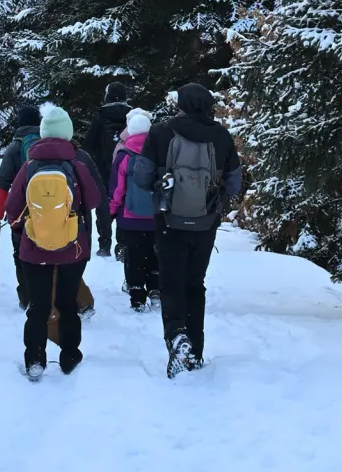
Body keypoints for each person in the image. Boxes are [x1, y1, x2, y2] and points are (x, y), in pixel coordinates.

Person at [127, 82, 242, 376]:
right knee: (195, 284)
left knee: (171, 282)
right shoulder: (221, 136)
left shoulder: (161, 131)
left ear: (181, 103)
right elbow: (234, 184)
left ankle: (177, 337)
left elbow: (141, 177)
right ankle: (196, 350)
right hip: (205, 223)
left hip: (169, 220)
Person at [3, 104, 104, 379]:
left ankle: (35, 359)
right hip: (73, 247)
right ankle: (70, 356)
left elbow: (12, 208)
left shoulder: (29, 166)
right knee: (68, 303)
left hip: (34, 249)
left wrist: (29, 224)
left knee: (38, 306)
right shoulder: (77, 164)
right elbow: (94, 200)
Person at [108, 108, 159, 309]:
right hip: (156, 216)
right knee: (155, 253)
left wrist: (111, 211)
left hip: (129, 217)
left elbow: (117, 189)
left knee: (134, 256)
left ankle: (137, 295)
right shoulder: (159, 153)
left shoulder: (124, 155)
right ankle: (155, 289)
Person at [0, 101, 40, 309]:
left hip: (21, 212)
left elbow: (3, 182)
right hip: (48, 208)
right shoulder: (47, 144)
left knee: (21, 253)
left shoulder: (14, 147)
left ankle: (27, 297)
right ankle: (48, 292)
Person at [83, 80, 130, 257]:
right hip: (127, 170)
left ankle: (104, 244)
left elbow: (89, 145)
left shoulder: (100, 116)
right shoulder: (131, 116)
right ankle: (123, 243)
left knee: (104, 205)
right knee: (125, 204)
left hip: (102, 171)